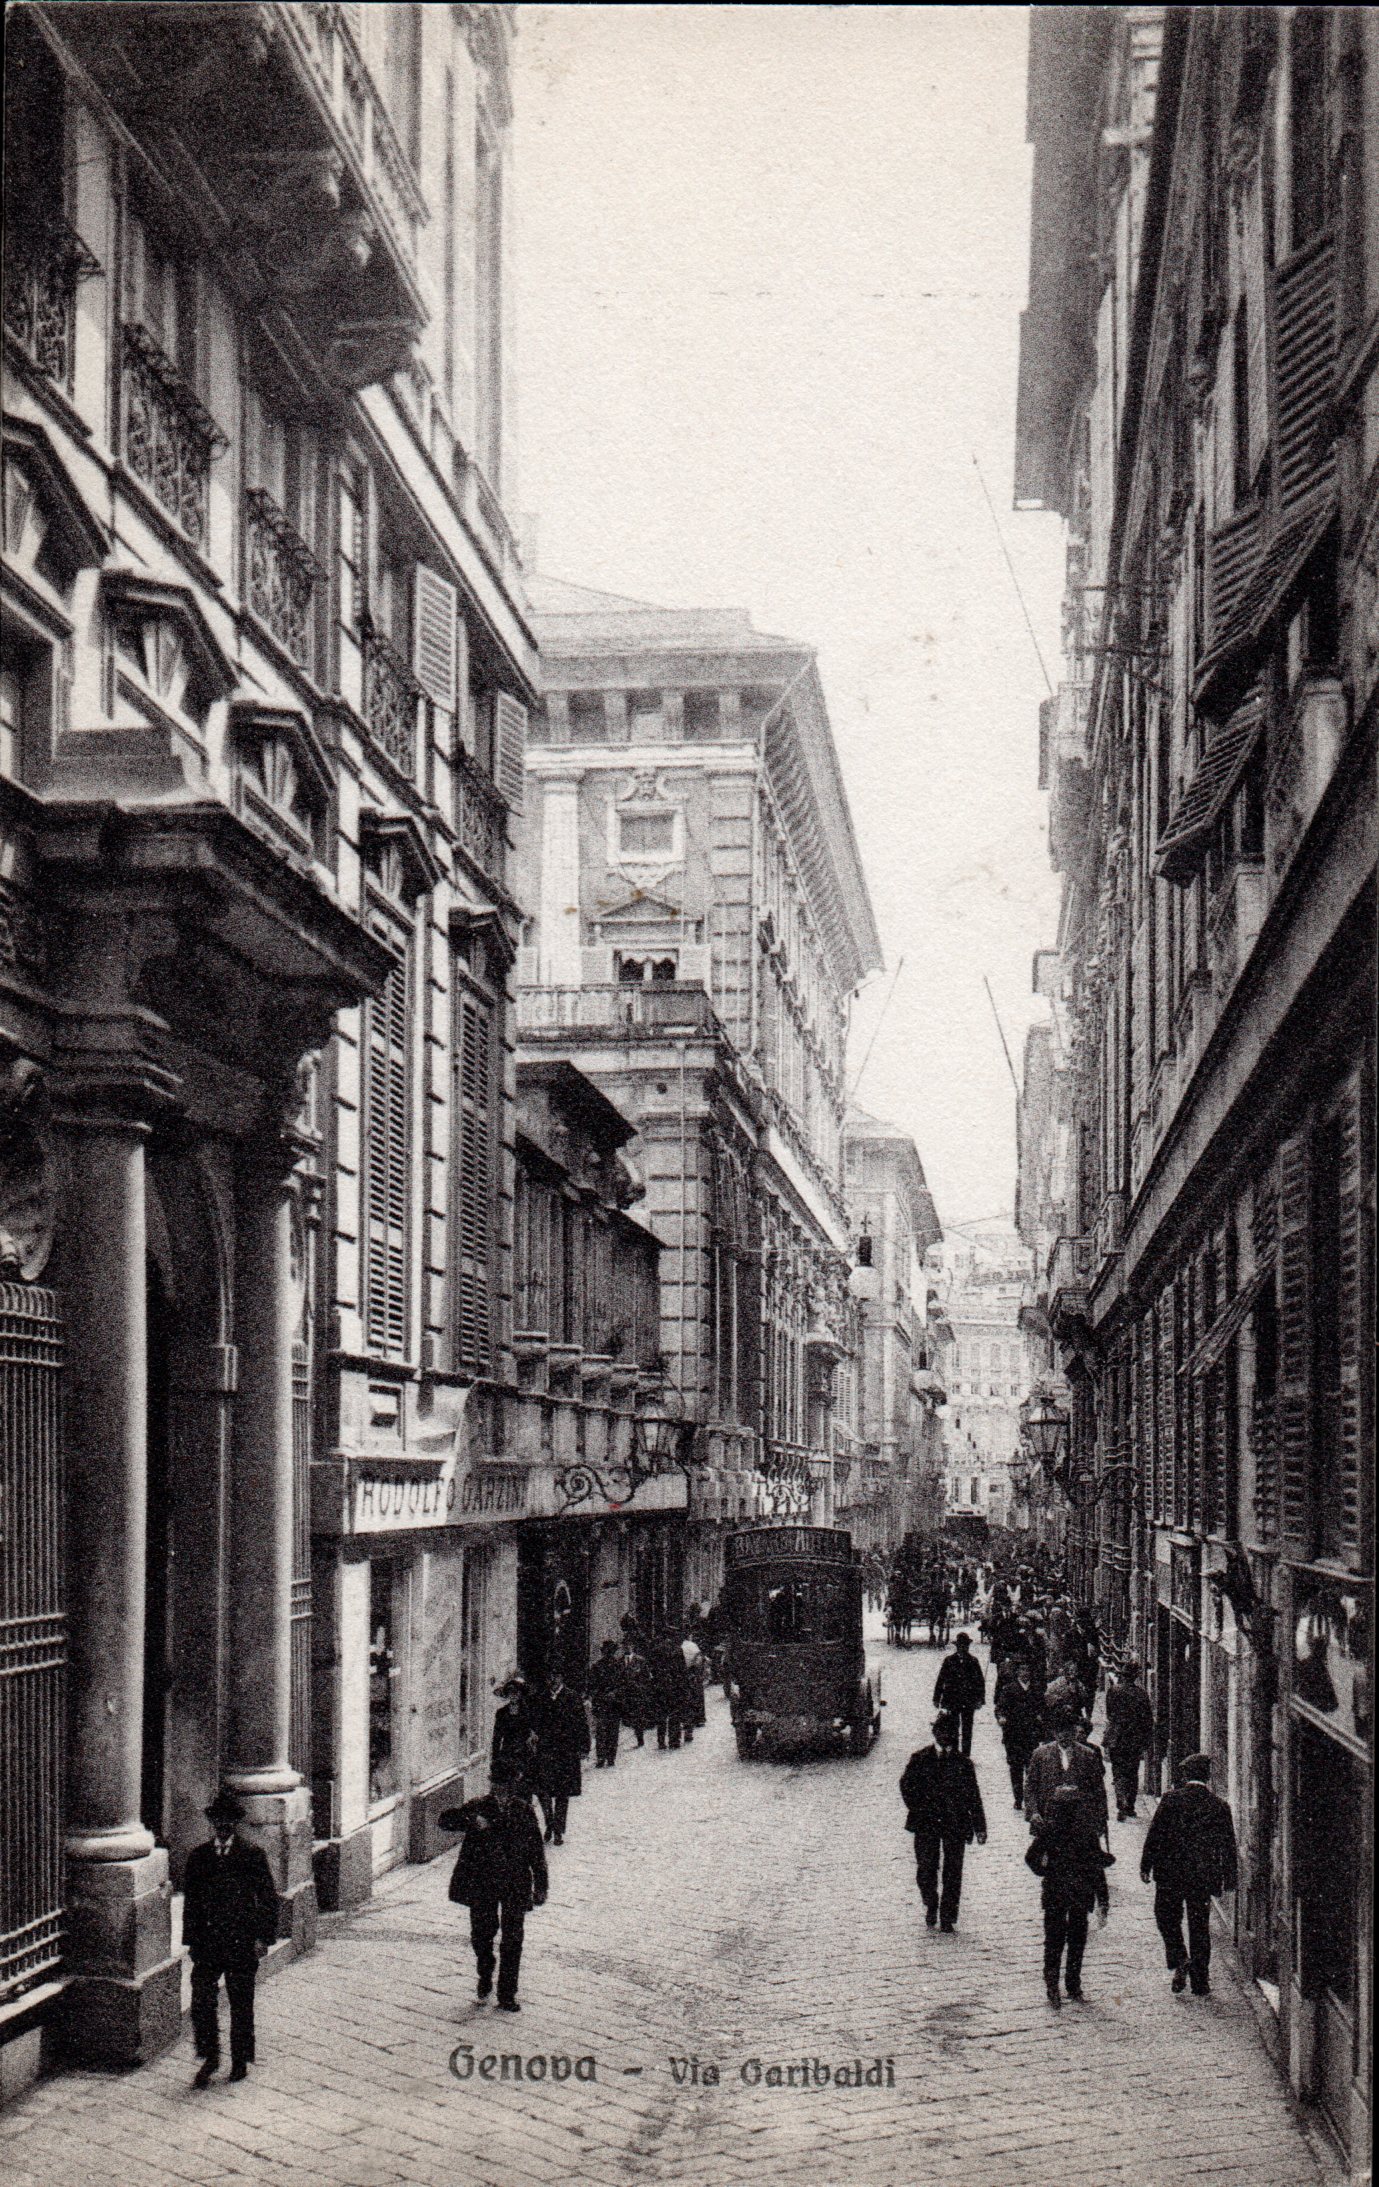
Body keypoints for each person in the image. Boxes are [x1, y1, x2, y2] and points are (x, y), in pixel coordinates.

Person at [183, 1790, 278, 2086]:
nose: (223, 1826)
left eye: (228, 1821)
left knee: (241, 2003)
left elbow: (267, 1898)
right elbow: (191, 1903)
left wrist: (263, 1938)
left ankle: (240, 2059)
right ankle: (209, 2056)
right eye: (218, 1821)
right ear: (212, 1823)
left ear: (235, 1824)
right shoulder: (199, 1857)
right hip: (208, 1943)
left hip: (241, 1941)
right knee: (202, 2001)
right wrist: (191, 1941)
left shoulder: (251, 1855)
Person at [442, 1763, 548, 2012]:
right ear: (492, 1783)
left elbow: (536, 1849)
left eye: (506, 1785)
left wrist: (541, 1884)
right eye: (497, 1784)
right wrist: (471, 1820)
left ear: (513, 1785)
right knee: (481, 1935)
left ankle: (507, 1994)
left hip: (515, 1881)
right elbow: (445, 1820)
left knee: (513, 1938)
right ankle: (485, 1970)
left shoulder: (524, 1810)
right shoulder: (478, 1806)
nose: (501, 1789)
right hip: (483, 1881)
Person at [1140, 1751, 1238, 1997]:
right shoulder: (1219, 1806)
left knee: (1166, 1918)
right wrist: (1230, 1878)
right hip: (1202, 1877)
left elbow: (1155, 1834)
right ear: (1208, 1776)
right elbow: (1228, 1846)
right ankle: (1200, 1982)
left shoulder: (1170, 1800)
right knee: (1199, 1926)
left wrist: (1145, 1865)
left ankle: (1180, 1957)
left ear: (1185, 1775)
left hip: (1170, 1874)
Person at [899, 1711, 987, 1931]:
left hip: (955, 1822)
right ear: (935, 1732)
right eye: (941, 1731)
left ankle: (948, 1915)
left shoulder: (963, 1763)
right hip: (926, 1822)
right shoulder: (919, 1759)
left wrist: (980, 1827)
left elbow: (973, 1796)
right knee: (926, 1867)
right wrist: (918, 1808)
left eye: (951, 1732)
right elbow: (906, 1785)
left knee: (953, 1870)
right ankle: (930, 1902)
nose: (946, 1736)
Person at [1025, 1784, 1112, 2007]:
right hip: (1081, 1893)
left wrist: (1044, 1871)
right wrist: (1103, 1899)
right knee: (1077, 1939)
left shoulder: (1049, 1830)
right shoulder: (1087, 1831)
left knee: (1053, 1940)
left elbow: (1031, 1857)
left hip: (1055, 1891)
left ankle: (1052, 1984)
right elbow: (1097, 1867)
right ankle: (1073, 1983)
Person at [1024, 1709, 1109, 1838]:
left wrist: (1101, 1819)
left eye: (1068, 1732)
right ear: (1054, 1733)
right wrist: (1033, 1812)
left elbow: (1098, 1789)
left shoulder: (1087, 1755)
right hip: (1048, 1818)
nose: (1063, 1736)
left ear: (1074, 1732)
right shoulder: (1040, 1754)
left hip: (1079, 1818)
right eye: (1059, 1732)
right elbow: (1030, 1786)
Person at [529, 1667, 591, 1844]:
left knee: (563, 1792)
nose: (553, 1680)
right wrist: (534, 1734)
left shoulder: (572, 1697)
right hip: (546, 1750)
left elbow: (582, 1723)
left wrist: (584, 1747)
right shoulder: (541, 1698)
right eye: (550, 1676)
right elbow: (534, 1721)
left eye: (556, 1676)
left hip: (566, 1751)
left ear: (562, 1677)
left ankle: (558, 1830)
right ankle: (549, 1823)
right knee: (544, 1791)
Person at [1103, 1659, 1156, 1820]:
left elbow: (1109, 1714)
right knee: (1132, 1772)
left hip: (1116, 1738)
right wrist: (1145, 1739)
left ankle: (1121, 1803)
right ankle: (1130, 1806)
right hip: (1134, 1738)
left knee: (1118, 1772)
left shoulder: (1113, 1691)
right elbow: (1147, 1720)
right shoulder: (1141, 1694)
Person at [994, 1656, 1044, 1809]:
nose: (1025, 1673)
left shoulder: (1036, 1690)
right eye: (1022, 1670)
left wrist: (1040, 1717)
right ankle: (1018, 1798)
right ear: (1017, 1672)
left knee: (1031, 1767)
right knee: (1015, 1767)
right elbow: (1000, 1708)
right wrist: (1001, 1717)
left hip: (1031, 1735)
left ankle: (1030, 1798)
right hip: (1013, 1735)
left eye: (1027, 1670)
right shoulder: (1009, 1689)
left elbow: (1042, 1708)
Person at [933, 1631, 987, 1757]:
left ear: (968, 1646)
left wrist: (980, 1699)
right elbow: (941, 1680)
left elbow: (980, 1682)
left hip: (969, 1701)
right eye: (961, 1645)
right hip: (952, 1700)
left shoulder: (973, 1661)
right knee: (953, 1728)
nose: (963, 1648)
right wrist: (936, 1698)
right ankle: (955, 1754)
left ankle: (966, 1755)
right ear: (957, 1647)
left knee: (967, 1729)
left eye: (965, 1645)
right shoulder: (949, 1661)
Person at [586, 1640, 625, 1768]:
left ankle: (609, 1757)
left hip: (614, 1704)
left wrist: (615, 1693)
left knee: (611, 1731)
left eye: (610, 1651)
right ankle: (602, 1757)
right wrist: (600, 1695)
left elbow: (624, 1685)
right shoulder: (597, 1667)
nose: (608, 1654)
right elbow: (591, 1685)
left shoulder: (619, 1666)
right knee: (602, 1731)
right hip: (602, 1703)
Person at [490, 1673, 537, 1776]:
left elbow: (534, 1732)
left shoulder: (527, 1712)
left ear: (521, 1694)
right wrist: (495, 1759)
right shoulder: (502, 1713)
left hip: (525, 1754)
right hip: (508, 1754)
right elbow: (497, 1737)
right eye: (510, 1692)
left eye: (516, 1692)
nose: (513, 1695)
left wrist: (532, 1738)